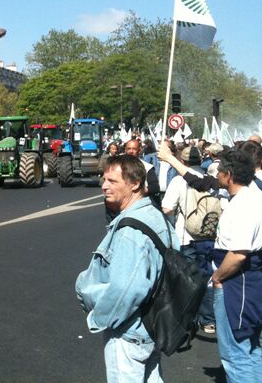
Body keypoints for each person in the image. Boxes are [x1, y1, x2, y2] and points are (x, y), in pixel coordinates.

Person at [76, 155, 179, 383]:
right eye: (104, 179)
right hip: (152, 326)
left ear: (134, 184)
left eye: (112, 181)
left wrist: (99, 319)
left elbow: (126, 290)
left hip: (130, 332)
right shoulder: (156, 216)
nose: (104, 186)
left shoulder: (131, 230)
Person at [209, 149, 262, 382]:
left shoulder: (244, 204)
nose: (217, 175)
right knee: (252, 348)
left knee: (235, 353)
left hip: (237, 282)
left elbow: (239, 254)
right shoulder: (254, 196)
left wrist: (218, 278)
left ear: (228, 175)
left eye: (219, 171)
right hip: (248, 280)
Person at [161, 146, 217, 334]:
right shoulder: (213, 179)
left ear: (182, 161)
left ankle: (188, 318)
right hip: (210, 234)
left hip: (186, 236)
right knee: (208, 277)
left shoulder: (178, 181)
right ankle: (208, 319)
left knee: (188, 279)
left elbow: (167, 208)